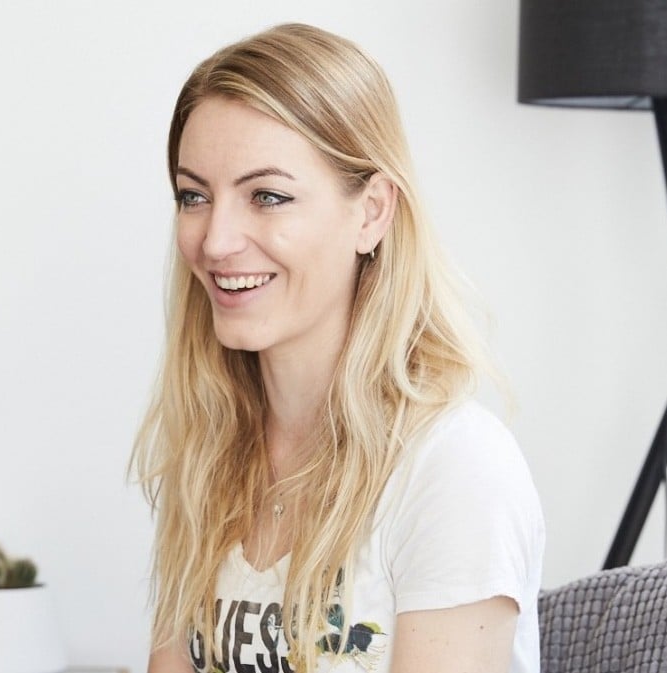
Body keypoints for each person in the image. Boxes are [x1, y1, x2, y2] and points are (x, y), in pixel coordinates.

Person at [132, 22, 545, 673]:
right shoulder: (206, 457)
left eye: (267, 195)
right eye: (194, 196)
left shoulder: (453, 466)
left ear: (371, 211)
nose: (214, 242)